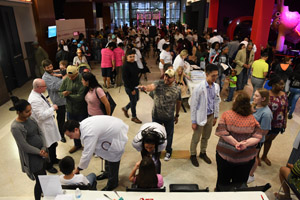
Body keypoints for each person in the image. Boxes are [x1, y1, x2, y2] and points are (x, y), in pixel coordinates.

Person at [63, 116, 129, 191]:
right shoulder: (82, 126)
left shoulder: (89, 133)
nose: (71, 138)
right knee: (106, 154)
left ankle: (113, 183)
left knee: (113, 157)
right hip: (111, 129)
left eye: (70, 135)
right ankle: (107, 173)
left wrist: (78, 169)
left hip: (116, 133)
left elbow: (87, 154)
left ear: (76, 129)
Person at [215, 91, 263, 190]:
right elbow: (258, 136)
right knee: (240, 184)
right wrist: (245, 144)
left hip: (225, 157)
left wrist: (235, 143)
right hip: (245, 159)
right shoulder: (252, 119)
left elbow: (222, 131)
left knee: (223, 182)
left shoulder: (226, 115)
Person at [138, 69, 181, 161]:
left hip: (169, 117)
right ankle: (157, 151)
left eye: (169, 77)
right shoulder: (159, 83)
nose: (167, 78)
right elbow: (151, 87)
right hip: (156, 116)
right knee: (156, 134)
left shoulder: (177, 89)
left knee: (169, 135)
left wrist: (177, 115)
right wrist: (145, 88)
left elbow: (178, 102)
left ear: (174, 78)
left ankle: (168, 151)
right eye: (166, 75)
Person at [11, 98, 48, 200]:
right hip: (33, 157)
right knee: (40, 181)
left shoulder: (30, 119)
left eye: (30, 110)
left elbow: (40, 132)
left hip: (42, 152)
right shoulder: (16, 127)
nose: (30, 113)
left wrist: (44, 147)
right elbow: (24, 146)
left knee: (44, 176)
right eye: (27, 111)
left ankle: (46, 194)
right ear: (19, 112)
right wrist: (39, 152)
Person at [190, 64, 221, 167]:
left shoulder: (216, 87)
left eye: (216, 75)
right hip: (200, 117)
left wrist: (216, 116)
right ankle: (193, 155)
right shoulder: (199, 88)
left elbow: (216, 102)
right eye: (213, 75)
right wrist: (193, 121)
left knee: (206, 137)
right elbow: (193, 106)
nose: (215, 78)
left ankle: (203, 152)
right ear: (206, 74)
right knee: (196, 138)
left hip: (210, 116)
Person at [28, 79, 61, 173]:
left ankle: (54, 159)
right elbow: (40, 116)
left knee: (53, 144)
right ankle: (48, 165)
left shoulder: (39, 94)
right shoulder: (33, 100)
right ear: (38, 87)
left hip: (49, 124)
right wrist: (52, 109)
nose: (46, 87)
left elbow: (46, 103)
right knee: (47, 147)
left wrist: (50, 106)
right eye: (44, 86)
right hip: (43, 127)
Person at [59, 65, 88, 154]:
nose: (71, 78)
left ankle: (88, 146)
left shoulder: (82, 80)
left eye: (73, 76)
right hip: (70, 110)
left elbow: (80, 97)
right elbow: (60, 92)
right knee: (72, 128)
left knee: (84, 129)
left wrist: (68, 95)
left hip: (81, 109)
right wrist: (64, 94)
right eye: (69, 76)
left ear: (77, 73)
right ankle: (77, 144)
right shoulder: (66, 80)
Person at [261, 74, 288, 166]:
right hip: (266, 122)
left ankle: (264, 156)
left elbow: (285, 109)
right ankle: (256, 156)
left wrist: (285, 122)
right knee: (262, 140)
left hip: (278, 122)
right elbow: (260, 108)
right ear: (273, 84)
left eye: (283, 84)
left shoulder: (284, 94)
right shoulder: (266, 94)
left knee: (270, 140)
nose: (282, 86)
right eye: (280, 84)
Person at [247, 88, 273, 183]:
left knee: (254, 157)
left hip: (256, 140)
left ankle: (250, 175)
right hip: (246, 136)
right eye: (254, 94)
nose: (254, 97)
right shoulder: (251, 104)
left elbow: (265, 131)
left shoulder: (266, 113)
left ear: (263, 99)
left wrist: (253, 136)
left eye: (257, 96)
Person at [42, 59, 67, 143]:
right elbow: (55, 87)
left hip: (66, 97)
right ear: (44, 68)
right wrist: (64, 79)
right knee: (61, 119)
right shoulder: (45, 78)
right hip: (59, 101)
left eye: (51, 66)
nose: (50, 68)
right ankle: (61, 135)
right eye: (48, 67)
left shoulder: (54, 73)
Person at [122, 49, 142, 124]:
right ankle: (134, 117)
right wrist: (131, 89)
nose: (132, 58)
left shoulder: (134, 63)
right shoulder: (125, 66)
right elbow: (126, 80)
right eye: (130, 57)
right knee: (133, 102)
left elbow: (136, 73)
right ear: (127, 57)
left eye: (133, 56)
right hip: (130, 87)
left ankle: (125, 108)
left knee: (136, 99)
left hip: (136, 86)